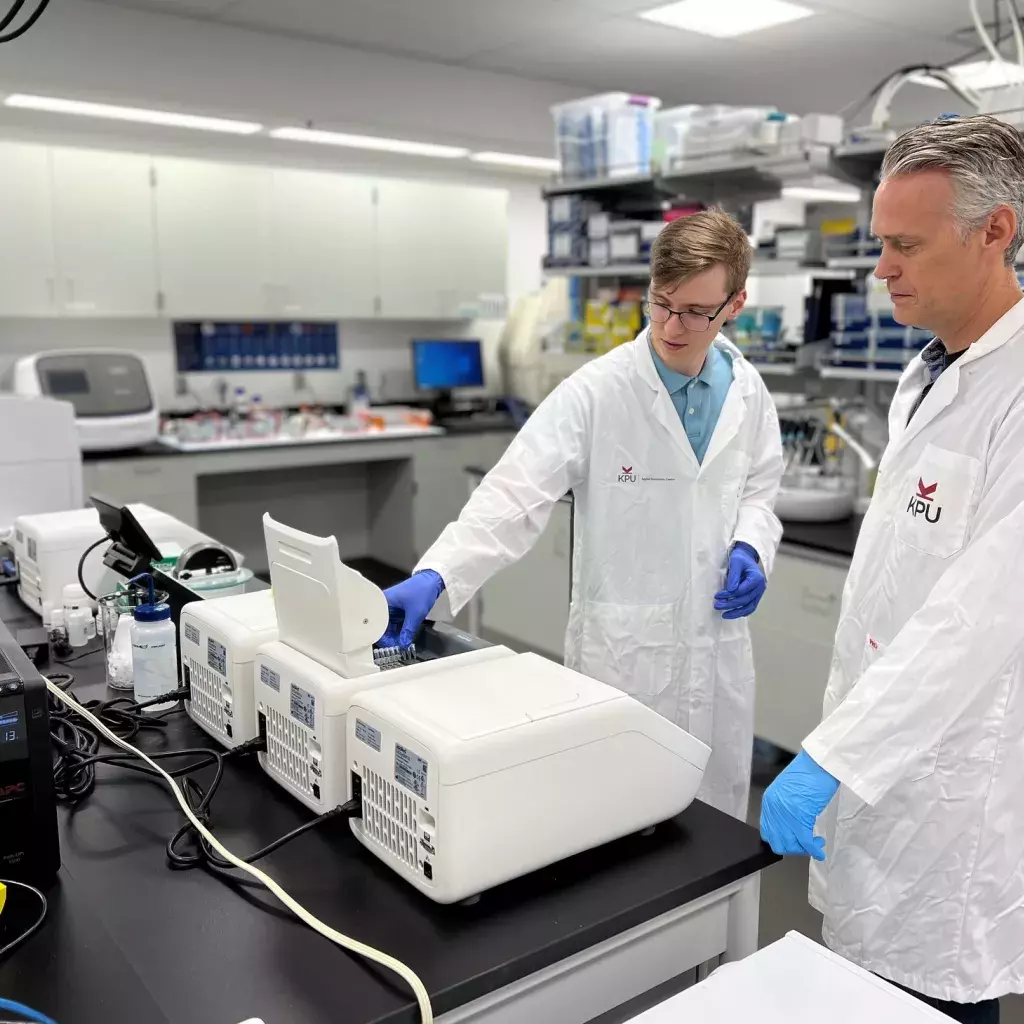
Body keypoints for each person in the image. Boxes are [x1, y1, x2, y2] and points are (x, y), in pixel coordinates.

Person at [380, 209, 784, 819]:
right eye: (661, 303)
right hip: (626, 656)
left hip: (716, 648)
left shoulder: (749, 391)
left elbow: (759, 486)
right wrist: (439, 573)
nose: (673, 326)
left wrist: (752, 544)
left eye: (696, 312)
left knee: (716, 833)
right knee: (616, 825)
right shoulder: (598, 391)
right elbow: (514, 494)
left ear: (735, 304)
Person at [759, 114, 1024, 1024]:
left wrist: (833, 757)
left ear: (997, 231)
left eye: (905, 245)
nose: (882, 269)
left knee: (934, 996)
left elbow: (978, 617)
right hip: (882, 773)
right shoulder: (926, 371)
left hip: (953, 796)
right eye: (880, 244)